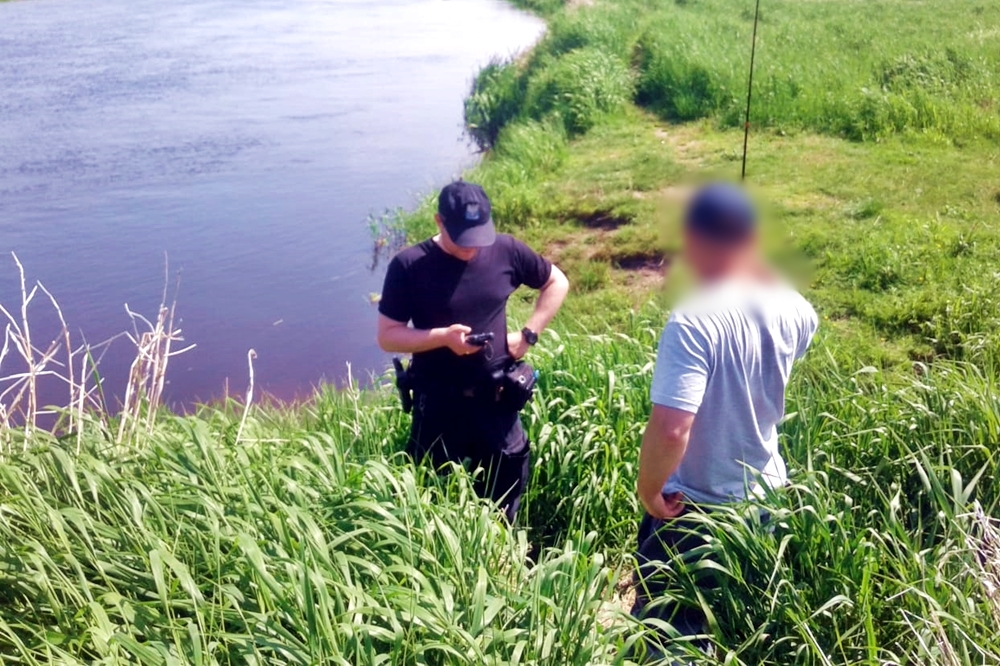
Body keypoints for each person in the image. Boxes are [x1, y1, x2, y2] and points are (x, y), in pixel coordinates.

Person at [631, 183, 818, 654]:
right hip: (765, 501)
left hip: (695, 508)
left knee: (670, 638)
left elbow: (673, 428)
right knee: (738, 626)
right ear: (752, 239)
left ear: (693, 239)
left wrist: (649, 490)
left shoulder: (693, 321)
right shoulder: (797, 309)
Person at [377, 180, 569, 523]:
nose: (472, 247)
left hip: (497, 402)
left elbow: (557, 282)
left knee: (505, 501)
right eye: (463, 238)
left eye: (479, 235)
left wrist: (528, 334)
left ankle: (502, 551)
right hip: (438, 406)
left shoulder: (506, 249)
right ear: (439, 221)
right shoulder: (409, 265)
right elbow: (388, 337)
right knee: (428, 503)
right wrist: (442, 338)